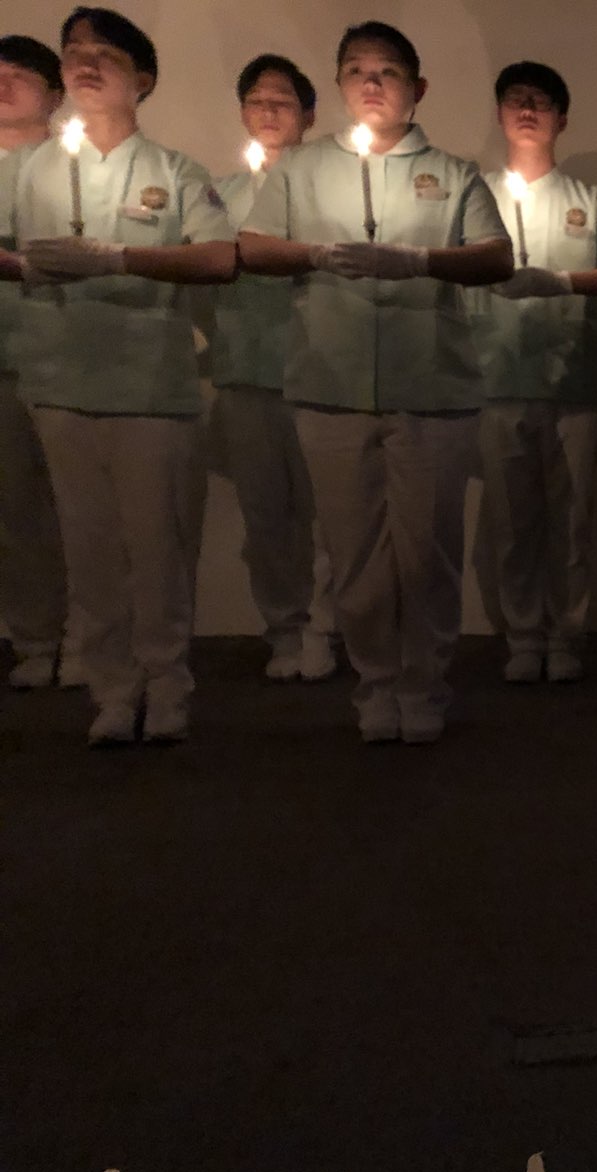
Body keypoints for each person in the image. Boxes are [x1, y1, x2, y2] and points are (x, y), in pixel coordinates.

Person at [238, 21, 512, 744]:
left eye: (386, 71)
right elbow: (253, 247)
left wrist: (417, 263)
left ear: (417, 88)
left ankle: (424, 685)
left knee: (427, 552)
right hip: (330, 385)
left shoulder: (452, 172)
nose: (370, 82)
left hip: (432, 389)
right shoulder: (301, 168)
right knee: (353, 553)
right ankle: (376, 684)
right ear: (337, 85)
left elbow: (496, 257)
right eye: (356, 69)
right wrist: (318, 255)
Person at [1, 7, 236, 745]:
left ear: (145, 79)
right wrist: (27, 267)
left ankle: (166, 685)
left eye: (105, 53)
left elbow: (218, 257)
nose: (85, 63)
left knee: (156, 547)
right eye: (74, 51)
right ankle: (111, 689)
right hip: (60, 384)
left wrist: (119, 258)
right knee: (90, 549)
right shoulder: (27, 169)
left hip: (148, 390)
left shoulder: (173, 171)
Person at [468, 60, 597, 686]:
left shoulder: (588, 200)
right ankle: (522, 635)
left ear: (561, 119)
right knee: (511, 521)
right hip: (496, 381)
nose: (527, 109)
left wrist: (563, 281)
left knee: (571, 520)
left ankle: (566, 634)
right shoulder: (475, 195)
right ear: (499, 114)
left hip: (574, 385)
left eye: (540, 101)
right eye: (515, 99)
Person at [211, 52, 339, 684]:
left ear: (308, 116)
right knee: (264, 515)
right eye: (257, 101)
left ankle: (324, 627)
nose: (267, 111)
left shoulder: (329, 185)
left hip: (322, 369)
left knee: (329, 512)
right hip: (245, 370)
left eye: (282, 102)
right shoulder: (221, 194)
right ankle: (283, 628)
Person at [0, 33, 68, 691]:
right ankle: (37, 637)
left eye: (20, 73)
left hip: (75, 358)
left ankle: (95, 639)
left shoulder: (74, 164)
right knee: (17, 509)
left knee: (89, 509)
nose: (3, 82)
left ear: (54, 94)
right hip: (4, 362)